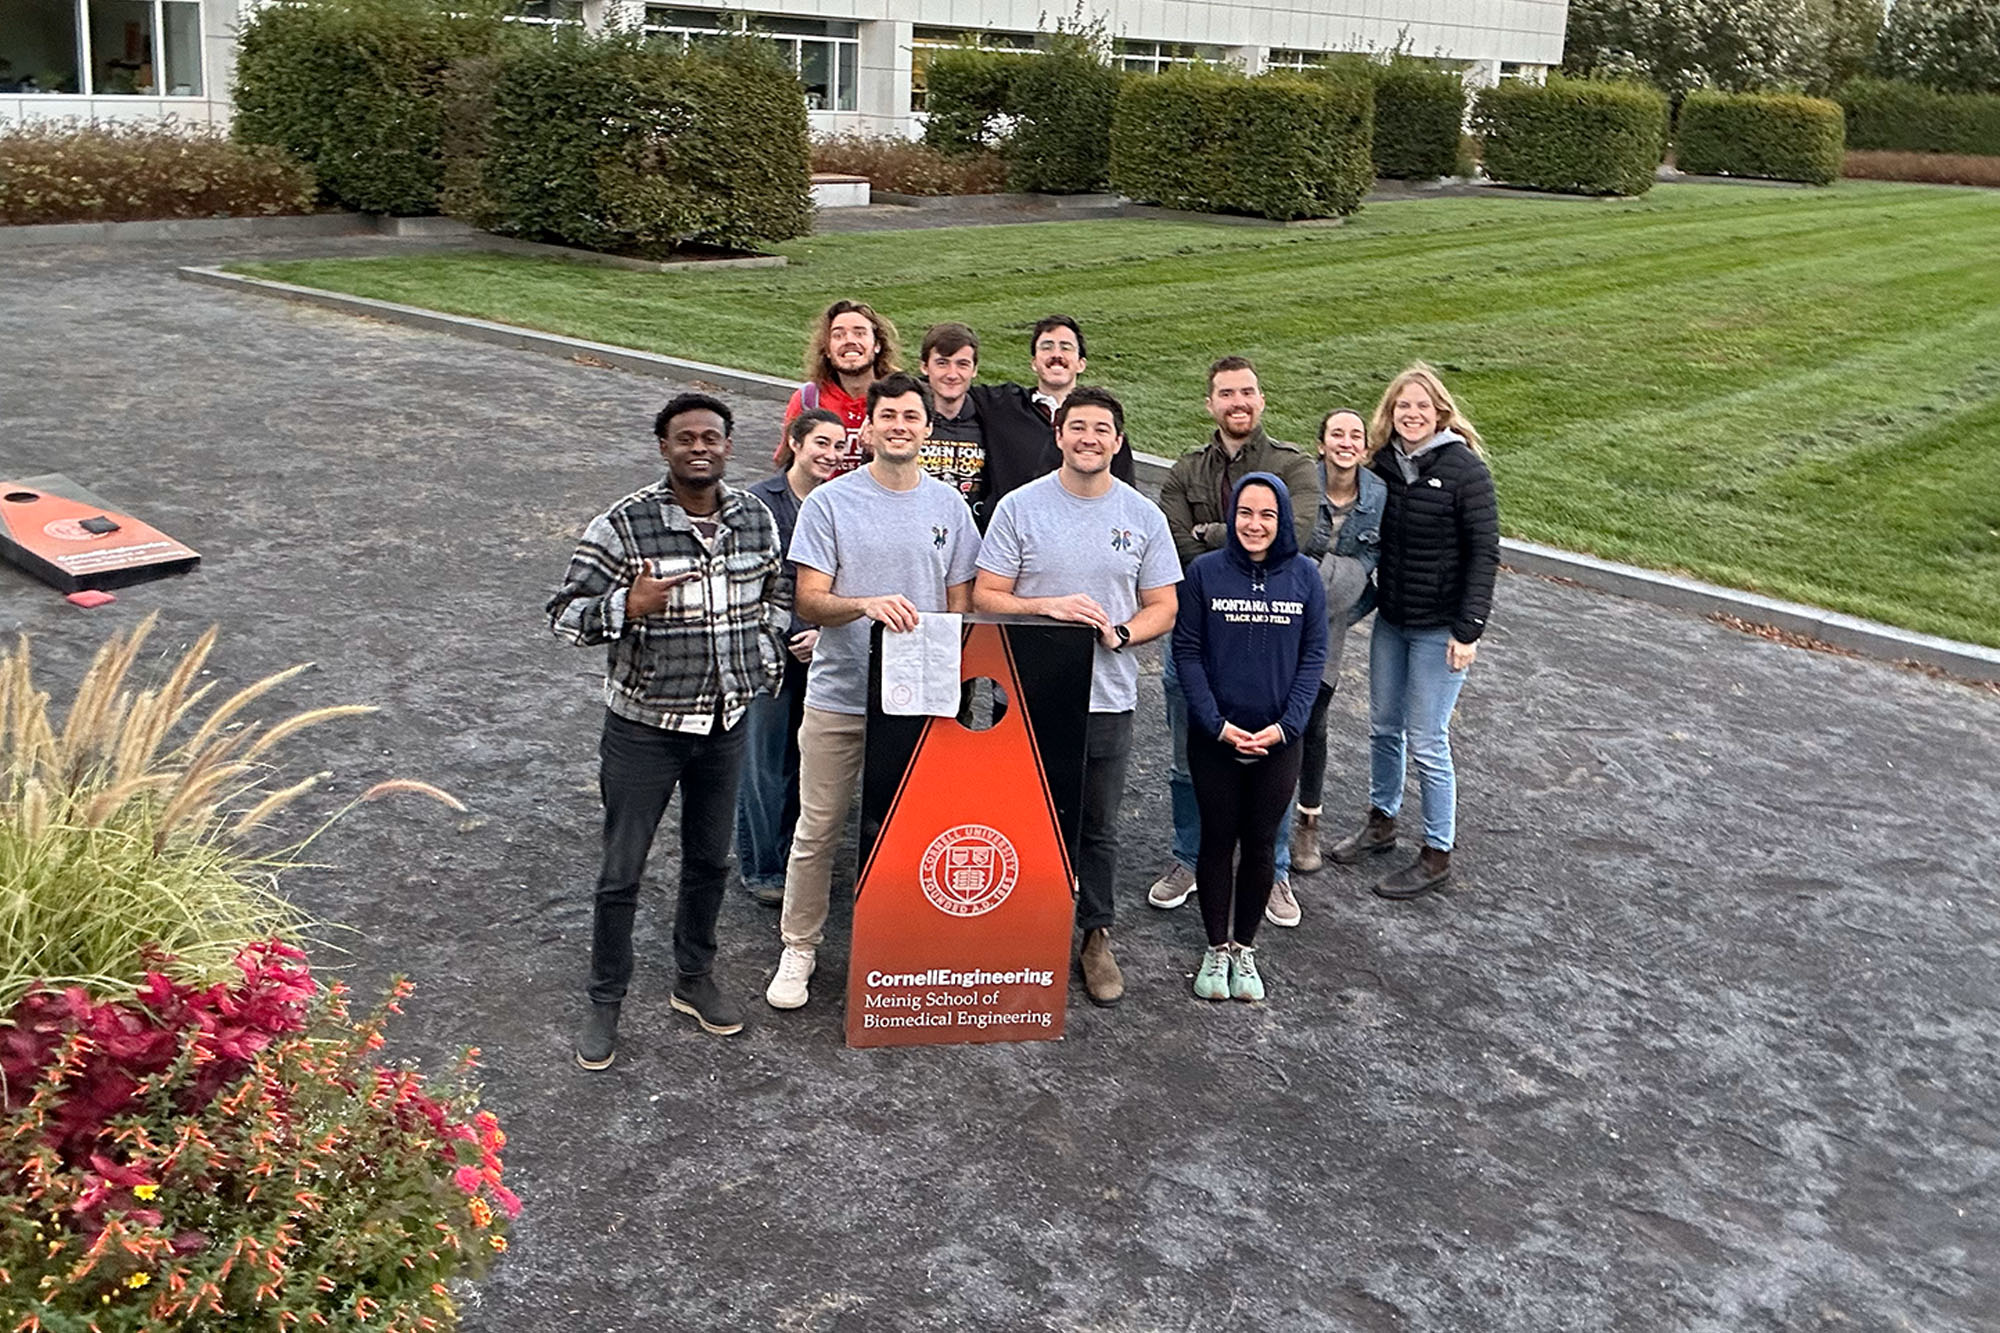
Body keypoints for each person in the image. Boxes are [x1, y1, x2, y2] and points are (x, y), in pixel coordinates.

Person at [547, 392, 789, 1067]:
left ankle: (692, 976)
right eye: (685, 438)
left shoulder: (753, 519)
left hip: (725, 722)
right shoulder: (623, 525)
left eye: (711, 436)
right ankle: (605, 997)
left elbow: (781, 593)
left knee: (711, 861)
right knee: (621, 871)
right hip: (644, 730)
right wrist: (628, 604)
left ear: (727, 445)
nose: (699, 447)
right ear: (664, 447)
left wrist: (761, 658)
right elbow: (563, 615)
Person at [766, 372, 982, 1010]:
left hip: (921, 700)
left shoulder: (949, 507)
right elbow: (809, 598)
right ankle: (799, 947)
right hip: (840, 694)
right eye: (887, 415)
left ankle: (900, 943)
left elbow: (960, 605)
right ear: (867, 425)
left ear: (927, 427)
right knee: (819, 827)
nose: (899, 426)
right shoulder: (832, 504)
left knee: (914, 830)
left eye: (911, 417)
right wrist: (864, 605)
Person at [973, 386, 1180, 1007]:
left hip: (1106, 698)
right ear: (1059, 436)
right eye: (1078, 427)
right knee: (1027, 818)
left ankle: (1095, 935)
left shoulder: (1143, 516)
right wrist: (1046, 607)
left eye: (1102, 431)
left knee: (1097, 826)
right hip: (1027, 695)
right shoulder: (1020, 507)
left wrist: (1123, 634)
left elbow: (1164, 605)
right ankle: (1024, 927)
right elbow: (987, 594)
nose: (1089, 439)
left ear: (1117, 443)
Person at [1148, 356, 1324, 924]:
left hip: (1270, 648)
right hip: (1200, 639)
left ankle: (1269, 873)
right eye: (1226, 393)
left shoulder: (1293, 465)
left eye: (1246, 391)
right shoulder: (1185, 470)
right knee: (1186, 762)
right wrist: (1230, 551)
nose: (1237, 402)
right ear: (1210, 404)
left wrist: (1214, 535)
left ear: (1261, 399)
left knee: (1270, 763)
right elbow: (1173, 545)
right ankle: (1188, 858)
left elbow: (1294, 535)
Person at [1327, 363, 1499, 900]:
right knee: (1382, 726)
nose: (1412, 414)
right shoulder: (1381, 465)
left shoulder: (1465, 470)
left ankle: (1437, 851)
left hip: (1441, 627)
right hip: (1394, 621)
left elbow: (1484, 555)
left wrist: (1468, 631)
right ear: (1391, 413)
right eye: (1403, 406)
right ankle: (1382, 820)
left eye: (1422, 406)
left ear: (1440, 412)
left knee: (1428, 739)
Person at [1173, 474, 1326, 1003]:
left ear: (1282, 519)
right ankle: (1216, 948)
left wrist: (1287, 727)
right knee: (1217, 839)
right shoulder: (1204, 573)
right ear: (1231, 516)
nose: (1255, 525)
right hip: (1215, 735)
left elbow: (1313, 660)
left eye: (1267, 515)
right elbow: (1187, 652)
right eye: (1245, 513)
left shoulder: (1305, 577)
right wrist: (1215, 723)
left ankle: (1246, 948)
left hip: (1279, 740)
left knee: (1261, 844)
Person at [735, 409, 846, 906]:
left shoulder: (840, 504)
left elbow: (841, 580)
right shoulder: (758, 502)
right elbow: (746, 585)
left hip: (824, 651)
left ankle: (796, 858)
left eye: (839, 446)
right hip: (767, 652)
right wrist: (798, 630)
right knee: (765, 760)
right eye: (821, 443)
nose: (830, 454)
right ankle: (762, 866)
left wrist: (821, 630)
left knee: (809, 761)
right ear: (795, 444)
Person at [1288, 408, 1387, 882]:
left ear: (1364, 448)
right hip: (1283, 618)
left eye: (1355, 436)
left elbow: (1369, 569)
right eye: (1336, 435)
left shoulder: (1378, 496)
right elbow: (1288, 550)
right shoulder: (1301, 484)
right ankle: (1264, 818)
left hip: (1332, 626)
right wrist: (1334, 575)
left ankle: (1308, 821)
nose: (1346, 442)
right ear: (1321, 444)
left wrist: (1335, 598)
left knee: (1314, 721)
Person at [968, 315, 1135, 504]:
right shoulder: (1002, 404)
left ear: (1081, 364)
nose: (1057, 355)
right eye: (1046, 347)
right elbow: (944, 384)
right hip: (1010, 527)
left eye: (1066, 347)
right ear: (1034, 362)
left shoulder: (1102, 426)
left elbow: (1124, 500)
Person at [777, 299, 900, 477]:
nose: (849, 341)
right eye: (838, 335)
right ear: (827, 350)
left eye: (859, 333)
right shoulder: (808, 400)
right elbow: (786, 465)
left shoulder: (901, 398)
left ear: (877, 345)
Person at [916, 321, 988, 519]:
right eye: (942, 363)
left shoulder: (990, 421)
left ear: (974, 370)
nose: (952, 374)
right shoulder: (909, 421)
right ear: (924, 367)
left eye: (962, 364)